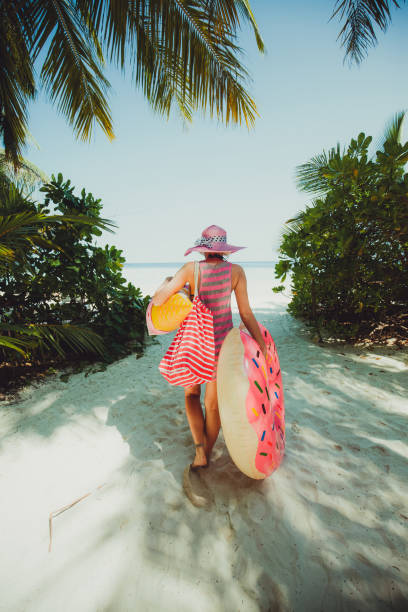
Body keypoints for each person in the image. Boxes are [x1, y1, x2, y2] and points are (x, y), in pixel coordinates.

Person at [152, 225, 267, 470]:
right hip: (221, 347)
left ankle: (199, 451)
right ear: (224, 249)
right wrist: (262, 345)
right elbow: (246, 314)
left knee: (191, 395)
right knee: (212, 405)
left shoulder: (189, 270)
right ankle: (208, 450)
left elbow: (160, 300)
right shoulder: (236, 272)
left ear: (203, 249)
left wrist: (173, 283)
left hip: (194, 342)